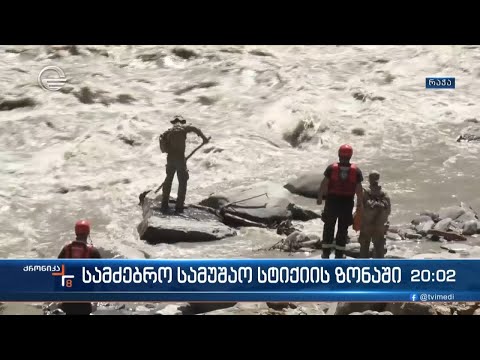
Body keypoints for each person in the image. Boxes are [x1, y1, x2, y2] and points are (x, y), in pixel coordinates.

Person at [317, 144, 364, 259]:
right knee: (343, 228)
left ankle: (326, 253)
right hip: (347, 203)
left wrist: (319, 197)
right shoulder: (356, 171)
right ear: (350, 155)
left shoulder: (331, 168)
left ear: (339, 154)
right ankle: (339, 254)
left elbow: (324, 184)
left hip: (332, 201)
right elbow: (359, 189)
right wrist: (360, 203)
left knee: (328, 226)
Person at [159, 115, 209, 213]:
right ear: (182, 122)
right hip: (180, 159)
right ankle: (179, 206)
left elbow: (163, 148)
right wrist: (204, 138)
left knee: (168, 180)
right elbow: (196, 129)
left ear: (173, 123)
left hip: (170, 159)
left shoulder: (167, 132)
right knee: (182, 181)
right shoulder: (183, 128)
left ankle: (164, 204)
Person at [57, 220, 101, 315]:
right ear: (88, 233)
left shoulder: (66, 249)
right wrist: (96, 301)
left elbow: (57, 272)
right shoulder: (93, 251)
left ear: (75, 232)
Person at [358, 171, 391, 258]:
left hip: (366, 224)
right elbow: (388, 211)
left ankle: (363, 267)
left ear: (369, 180)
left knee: (364, 247)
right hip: (379, 226)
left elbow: (359, 208)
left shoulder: (365, 193)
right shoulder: (384, 194)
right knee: (379, 247)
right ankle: (379, 267)